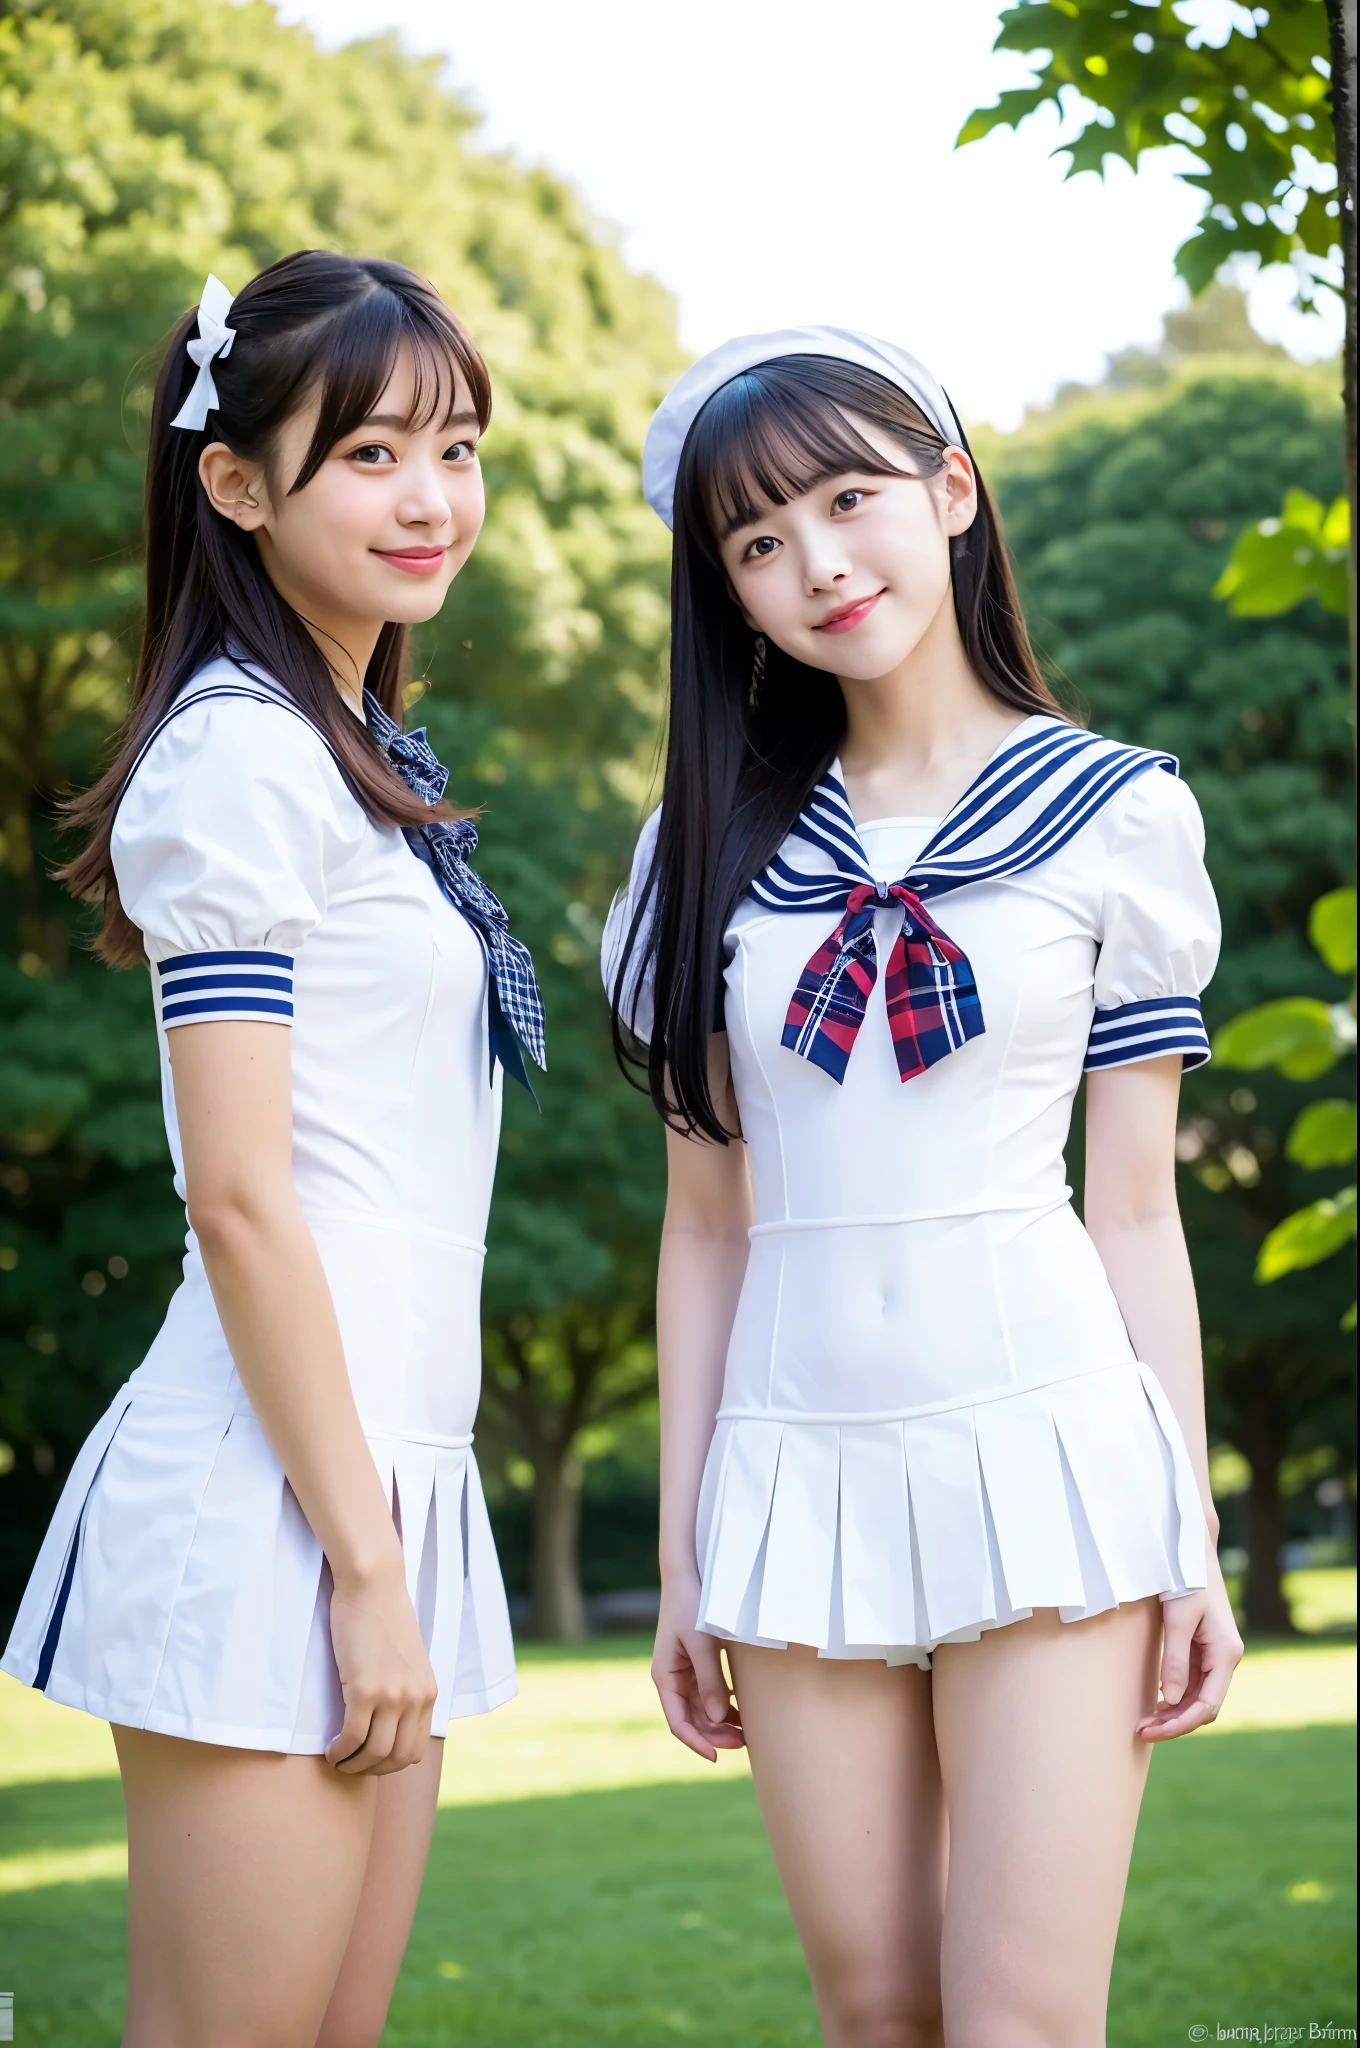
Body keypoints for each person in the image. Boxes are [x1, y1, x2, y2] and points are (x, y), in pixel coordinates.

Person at [603, 329, 1244, 2047]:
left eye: (848, 497)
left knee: (1021, 2017)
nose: (815, 560)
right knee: (875, 2006)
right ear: (724, 591)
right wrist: (681, 1564)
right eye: (753, 539)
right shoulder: (708, 850)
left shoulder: (1114, 817)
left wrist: (1185, 1527)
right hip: (795, 1465)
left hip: (1045, 1448)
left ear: (951, 493)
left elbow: (1133, 1211)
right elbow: (705, 1228)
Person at [1, 251, 543, 2048]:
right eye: (372, 452)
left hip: (383, 1477)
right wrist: (363, 1570)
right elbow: (239, 1198)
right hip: (278, 1506)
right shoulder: (236, 759)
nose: (432, 498)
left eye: (455, 447)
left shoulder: (352, 753)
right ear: (235, 483)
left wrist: (392, 1544)